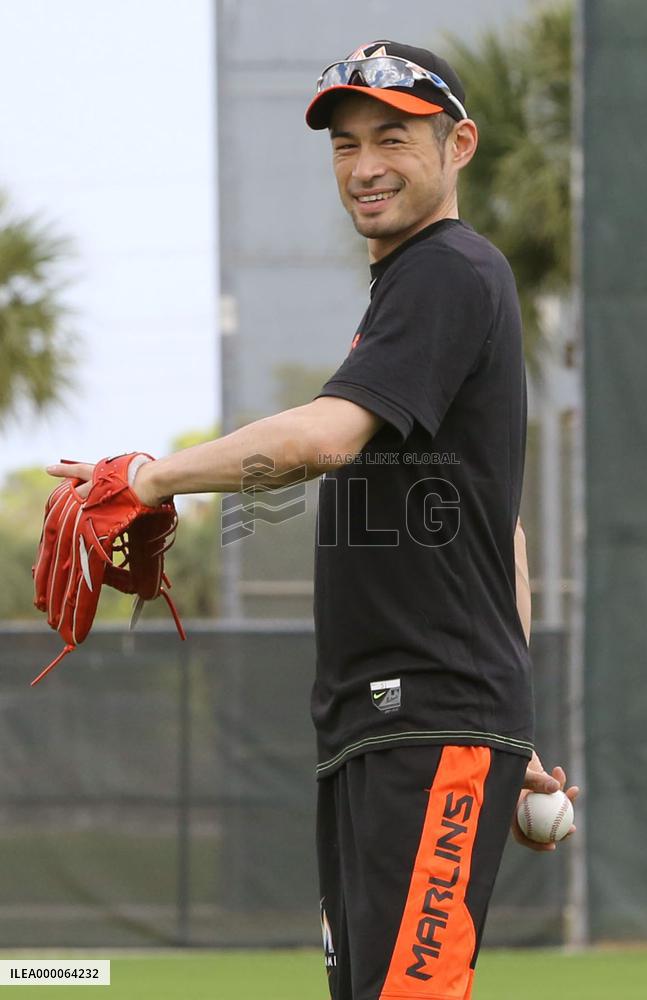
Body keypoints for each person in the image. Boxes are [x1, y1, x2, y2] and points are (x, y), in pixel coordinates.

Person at [48, 39, 578, 1000]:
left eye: (392, 137)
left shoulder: (448, 269)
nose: (364, 164)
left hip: (429, 720)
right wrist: (515, 727)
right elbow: (504, 532)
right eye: (344, 143)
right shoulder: (410, 291)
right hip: (395, 724)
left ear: (459, 143)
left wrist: (154, 478)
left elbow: (325, 438)